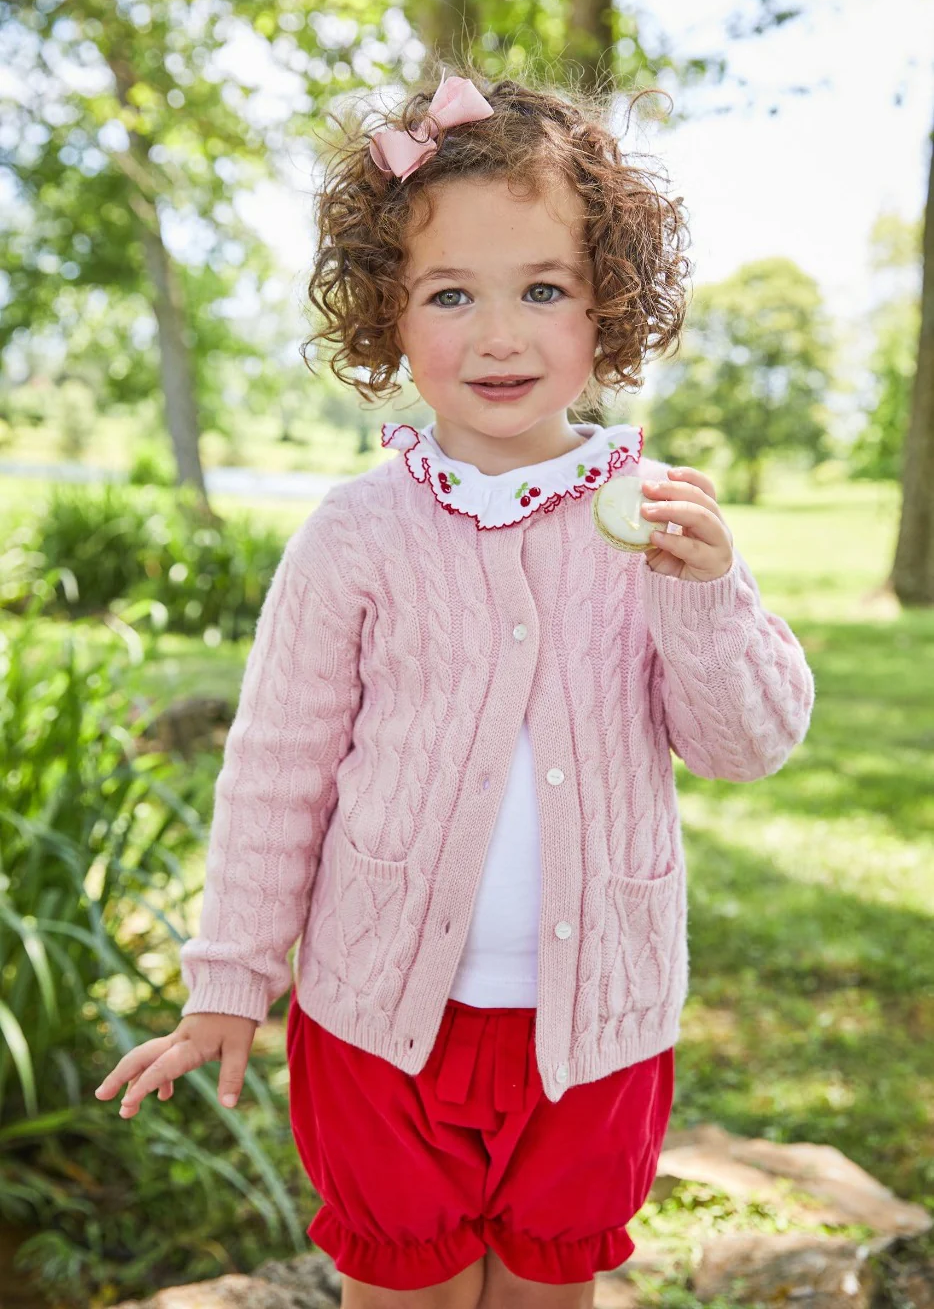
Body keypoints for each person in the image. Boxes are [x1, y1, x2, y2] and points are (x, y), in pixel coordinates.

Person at [95, 66, 815, 1309]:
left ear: (607, 308)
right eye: (449, 293)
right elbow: (277, 770)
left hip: (595, 1025)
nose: (498, 334)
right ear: (388, 316)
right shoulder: (355, 535)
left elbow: (745, 744)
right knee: (404, 1284)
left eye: (543, 288)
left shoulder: (655, 524)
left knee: (545, 1283)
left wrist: (707, 595)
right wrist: (231, 979)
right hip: (377, 1016)